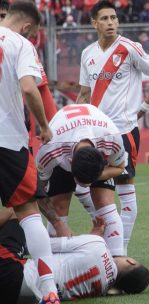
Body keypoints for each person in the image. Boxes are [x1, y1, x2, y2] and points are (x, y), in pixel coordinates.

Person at [76, 0, 149, 256]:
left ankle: (120, 254)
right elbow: (84, 93)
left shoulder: (129, 48)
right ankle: (107, 240)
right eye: (104, 19)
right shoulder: (87, 54)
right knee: (86, 188)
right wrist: (77, 117)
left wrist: (144, 107)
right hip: (95, 134)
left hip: (124, 132)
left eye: (114, 18)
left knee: (126, 192)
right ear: (94, 23)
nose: (111, 23)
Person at [0, 0, 62, 304]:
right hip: (9, 140)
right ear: (27, 27)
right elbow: (28, 87)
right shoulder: (21, 44)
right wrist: (44, 125)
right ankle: (48, 289)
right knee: (28, 212)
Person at [35, 104, 128, 256]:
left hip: (96, 138)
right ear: (70, 162)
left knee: (105, 203)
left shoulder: (112, 138)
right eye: (82, 183)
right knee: (58, 207)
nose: (86, 187)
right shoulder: (50, 151)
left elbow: (119, 167)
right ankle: (57, 267)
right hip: (63, 143)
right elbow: (37, 190)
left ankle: (117, 260)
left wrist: (98, 177)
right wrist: (57, 223)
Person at [0, 209, 149, 302]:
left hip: (13, 273)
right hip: (15, 297)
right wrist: (92, 238)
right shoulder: (102, 290)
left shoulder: (98, 245)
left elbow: (45, 245)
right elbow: (77, 265)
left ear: (130, 261)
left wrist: (93, 238)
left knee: (22, 213)